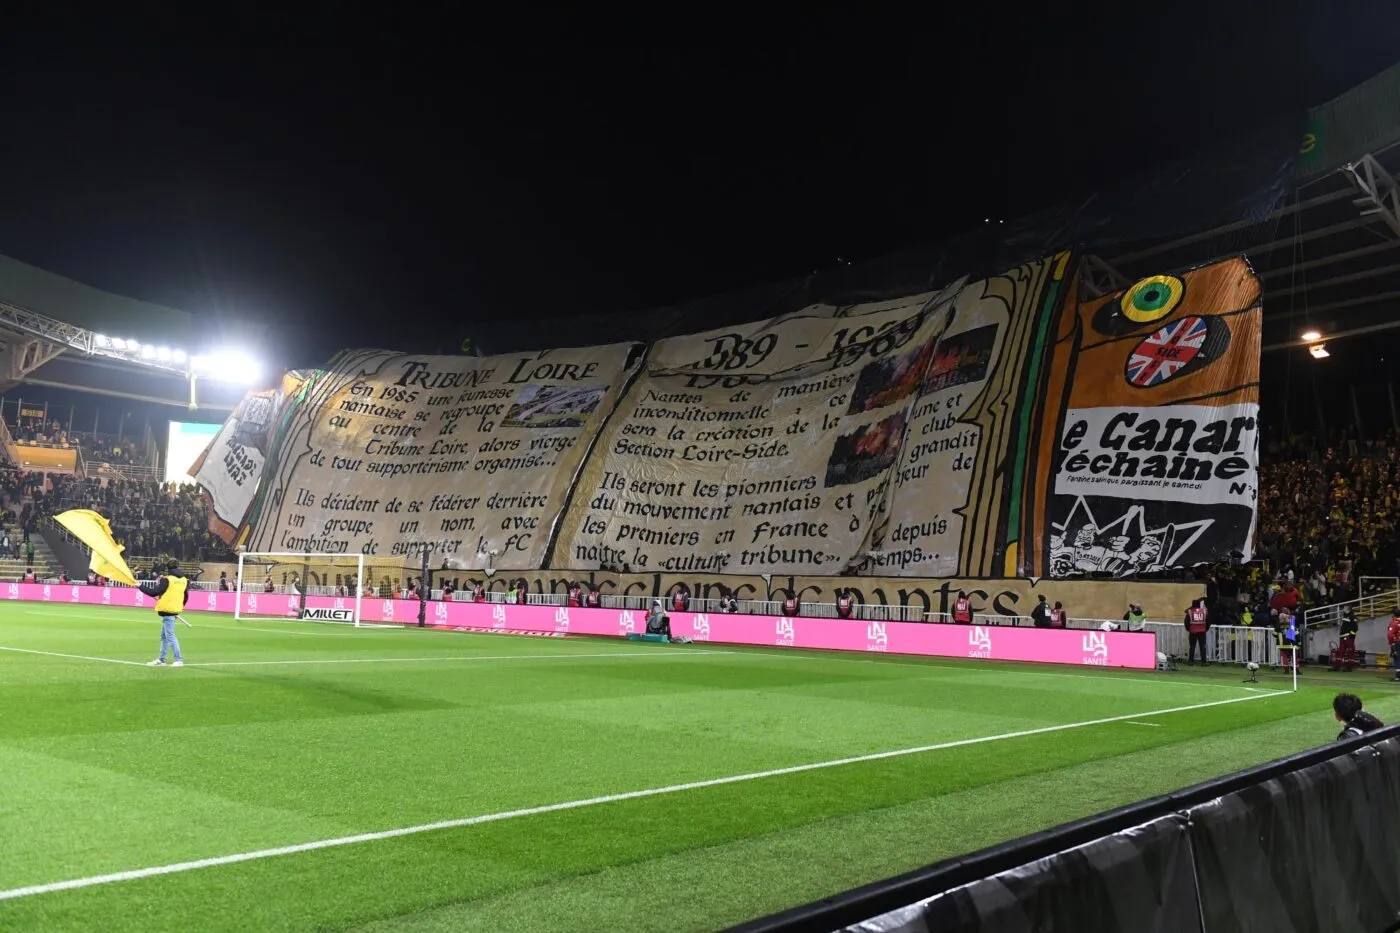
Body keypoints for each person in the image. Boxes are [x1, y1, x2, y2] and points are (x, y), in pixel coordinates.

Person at [140, 559, 189, 667]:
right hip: (174, 610)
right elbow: (185, 597)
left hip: (167, 611)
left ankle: (178, 659)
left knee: (170, 636)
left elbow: (154, 592)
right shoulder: (184, 580)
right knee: (164, 636)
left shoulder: (167, 579)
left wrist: (140, 586)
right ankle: (162, 659)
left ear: (168, 567)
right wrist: (178, 609)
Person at [1185, 598, 1209, 665]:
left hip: (1193, 631)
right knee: (1202, 647)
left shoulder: (1190, 612)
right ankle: (1204, 662)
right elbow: (1208, 622)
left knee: (1192, 647)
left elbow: (1186, 622)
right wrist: (1206, 629)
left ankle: (1190, 661)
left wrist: (1189, 629)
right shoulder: (1204, 611)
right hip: (1202, 631)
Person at [1389, 609, 1400, 682]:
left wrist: (1391, 643)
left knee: (1397, 658)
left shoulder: (1394, 622)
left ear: (1394, 614)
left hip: (1397, 642)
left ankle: (1398, 676)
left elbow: (1390, 634)